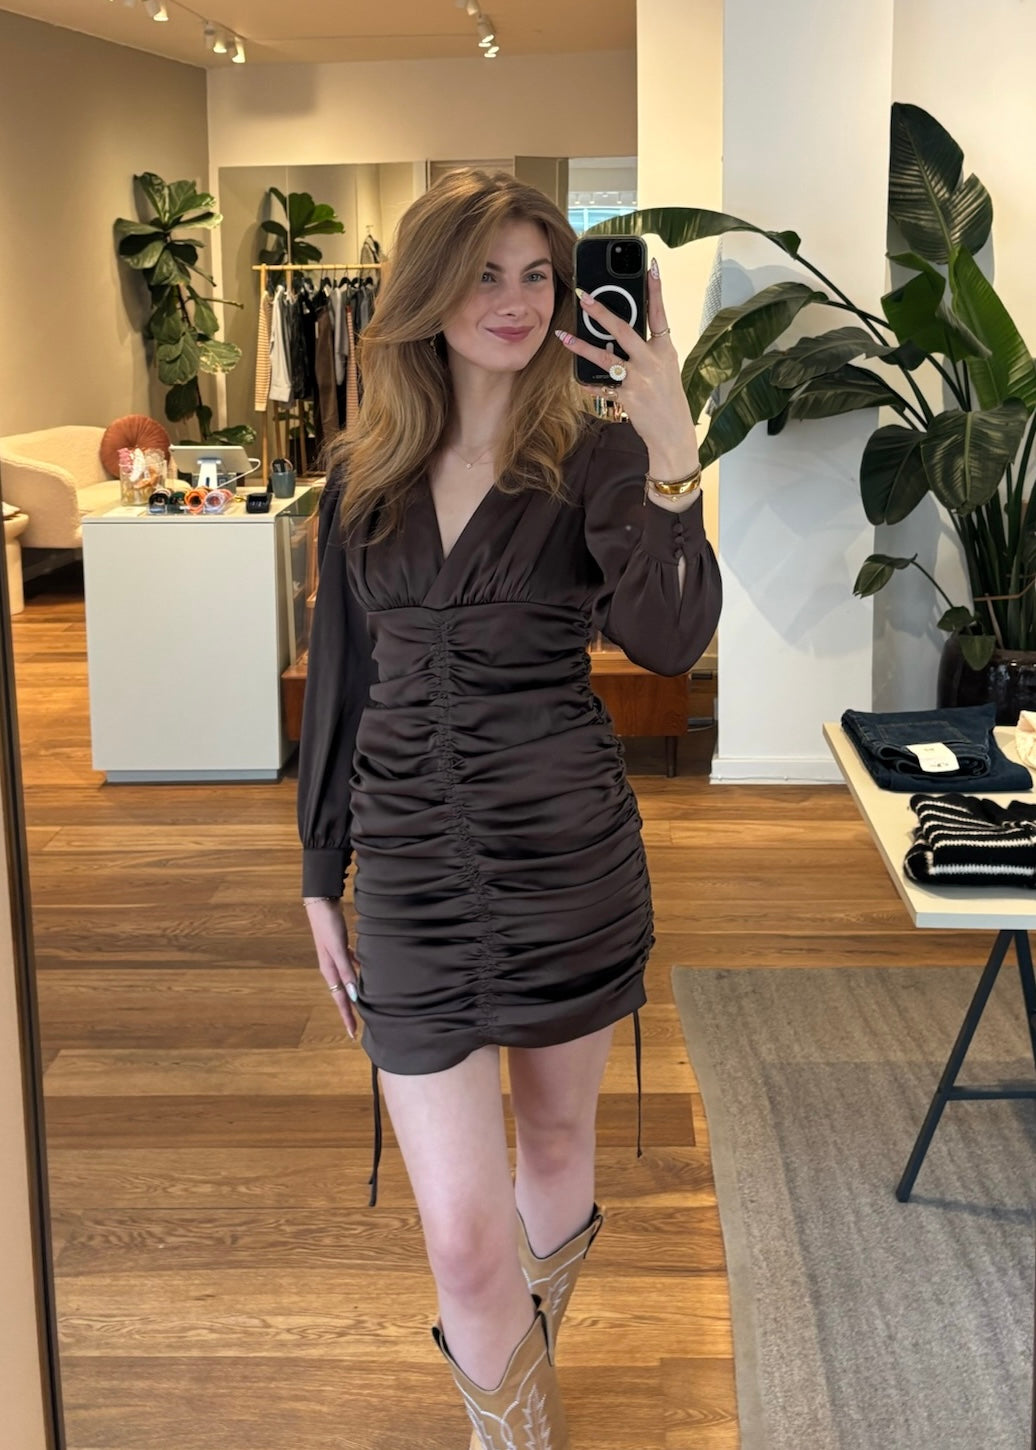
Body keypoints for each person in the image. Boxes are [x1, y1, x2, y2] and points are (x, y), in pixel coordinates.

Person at [297, 168, 721, 1450]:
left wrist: (671, 452)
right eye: (485, 273)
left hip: (565, 865)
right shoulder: (361, 477)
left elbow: (668, 642)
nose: (517, 301)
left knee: (553, 1143)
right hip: (413, 879)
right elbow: (343, 682)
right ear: (429, 290)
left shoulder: (595, 460)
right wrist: (320, 870)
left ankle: (516, 1424)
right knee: (465, 1243)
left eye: (539, 275)